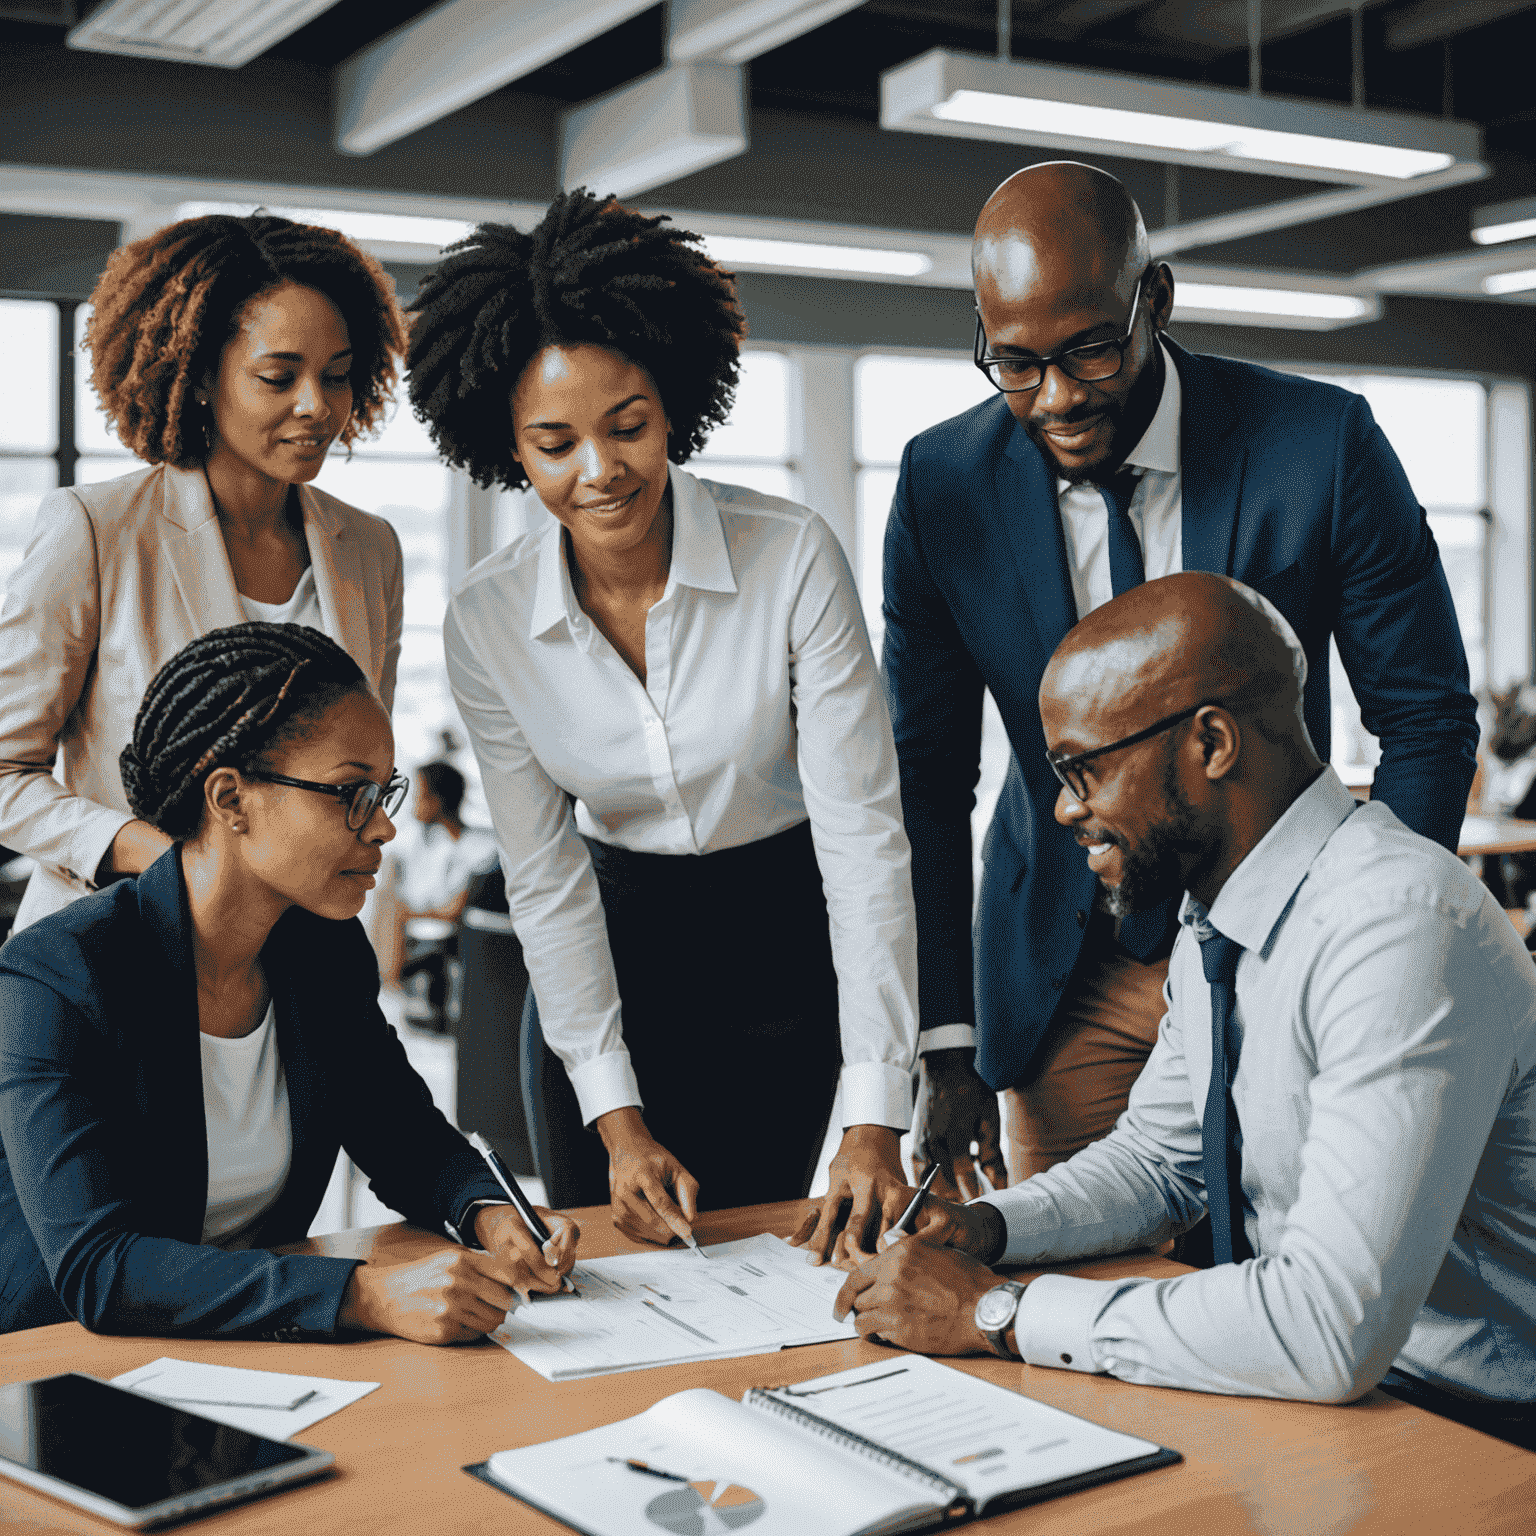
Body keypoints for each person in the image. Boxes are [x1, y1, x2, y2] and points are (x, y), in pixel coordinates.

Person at [883, 160, 1479, 1205]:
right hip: (1065, 978)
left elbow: (1425, 721)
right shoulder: (942, 486)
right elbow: (923, 778)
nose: (1058, 399)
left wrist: (1369, 943)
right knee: (1078, 1285)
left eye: (1091, 350)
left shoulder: (1320, 445)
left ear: (1153, 298)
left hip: (1289, 934)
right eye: (1015, 365)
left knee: (1293, 1260)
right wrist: (944, 1039)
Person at [834, 573, 1536, 1442]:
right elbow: (1157, 1165)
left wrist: (997, 1313)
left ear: (1210, 742)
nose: (1063, 808)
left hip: (1475, 1430)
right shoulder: (1223, 915)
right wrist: (985, 1228)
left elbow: (1328, 1323)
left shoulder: (1398, 931)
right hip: (1340, 1396)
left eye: (1081, 768)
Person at [410, 189, 918, 1258]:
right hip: (608, 956)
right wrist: (618, 1117)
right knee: (613, 1271)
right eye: (554, 443)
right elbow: (546, 877)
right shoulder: (488, 622)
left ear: (675, 401)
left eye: (628, 425)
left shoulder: (790, 558)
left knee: (746, 1268)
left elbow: (863, 840)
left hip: (780, 949)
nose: (600, 471)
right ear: (507, 447)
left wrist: (876, 1116)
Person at [0, 622, 577, 1339]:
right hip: (59, 1370)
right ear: (230, 799)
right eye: (348, 793)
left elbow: (405, 1138)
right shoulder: (57, 977)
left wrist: (489, 1212)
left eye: (383, 793)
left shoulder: (323, 953)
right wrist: (362, 1295)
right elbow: (101, 1267)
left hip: (257, 1353)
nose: (383, 829)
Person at [0, 212, 407, 933]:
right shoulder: (96, 529)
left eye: (338, 376)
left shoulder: (370, 549)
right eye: (278, 377)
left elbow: (359, 770)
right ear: (196, 377)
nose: (317, 406)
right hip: (116, 945)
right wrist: (151, 856)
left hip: (296, 958)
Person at [374, 761, 497, 1012]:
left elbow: (454, 910)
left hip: (457, 930)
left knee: (390, 907)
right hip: (424, 918)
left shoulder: (478, 847)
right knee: (386, 893)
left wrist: (407, 910)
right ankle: (384, 984)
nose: (413, 806)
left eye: (419, 797)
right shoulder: (432, 844)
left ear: (437, 801)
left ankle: (387, 986)